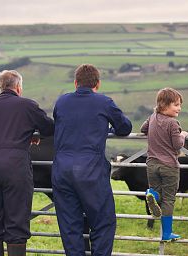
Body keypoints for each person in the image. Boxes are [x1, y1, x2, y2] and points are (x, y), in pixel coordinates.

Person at [52, 64, 132, 256]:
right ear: (98, 83)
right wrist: (108, 129)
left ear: (75, 83)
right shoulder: (104, 102)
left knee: (70, 225)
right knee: (103, 222)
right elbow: (125, 127)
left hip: (62, 170)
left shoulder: (61, 101)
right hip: (91, 171)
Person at [0, 70, 54, 256]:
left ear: (0, 86)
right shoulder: (27, 105)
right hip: (15, 166)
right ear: (18, 87)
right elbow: (49, 128)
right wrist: (30, 133)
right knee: (16, 218)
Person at [141, 87, 188, 242]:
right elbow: (177, 145)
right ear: (164, 104)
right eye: (176, 105)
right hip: (169, 166)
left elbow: (143, 129)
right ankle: (166, 234)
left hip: (152, 164)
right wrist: (182, 135)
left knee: (158, 193)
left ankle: (152, 194)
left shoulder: (153, 117)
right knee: (168, 199)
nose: (179, 108)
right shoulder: (173, 124)